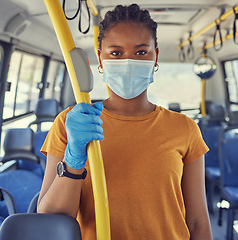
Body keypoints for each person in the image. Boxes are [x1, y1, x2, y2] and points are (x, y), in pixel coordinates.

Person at [37, 4, 212, 240]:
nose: (128, 62)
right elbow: (52, 215)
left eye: (141, 52)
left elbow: (198, 222)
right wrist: (73, 158)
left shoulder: (185, 129)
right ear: (100, 58)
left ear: (155, 56)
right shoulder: (70, 124)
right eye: (116, 53)